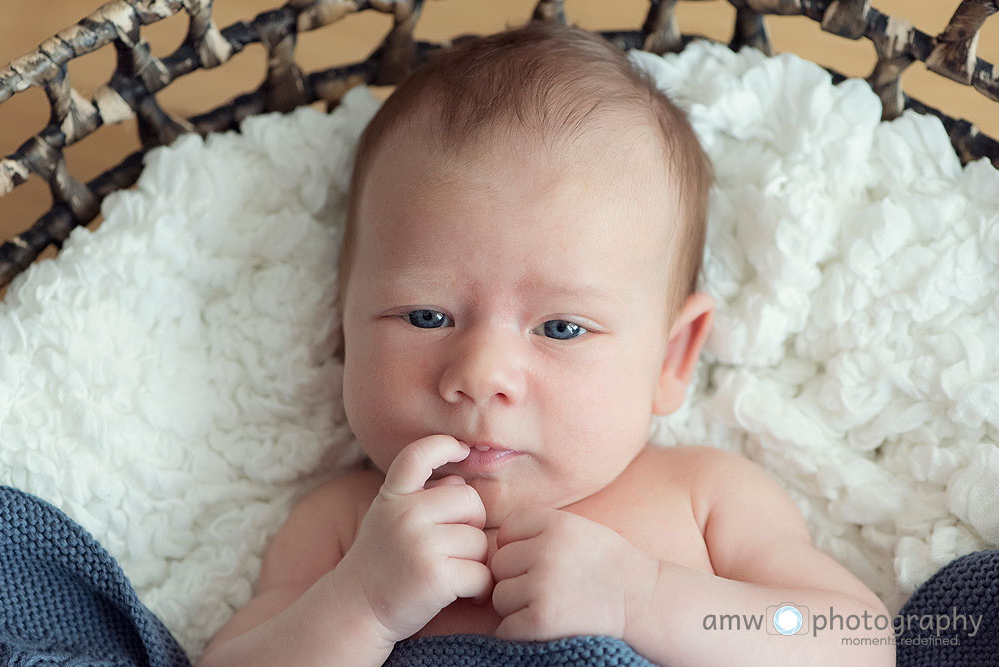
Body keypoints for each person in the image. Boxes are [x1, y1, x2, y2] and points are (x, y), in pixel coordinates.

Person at [197, 20, 894, 667]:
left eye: (561, 327)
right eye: (425, 316)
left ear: (673, 357)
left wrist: (645, 595)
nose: (480, 375)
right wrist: (360, 605)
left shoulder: (702, 496)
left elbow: (855, 640)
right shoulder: (347, 525)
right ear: (343, 324)